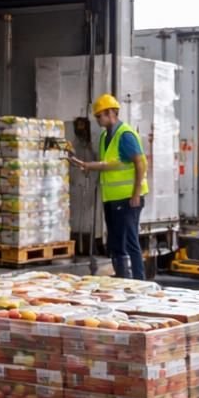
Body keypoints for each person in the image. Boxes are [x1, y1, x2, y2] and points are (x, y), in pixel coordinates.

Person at [71, 93, 149, 280]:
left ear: (110, 113)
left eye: (99, 116)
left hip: (128, 198)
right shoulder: (105, 136)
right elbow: (111, 164)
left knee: (130, 241)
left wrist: (136, 194)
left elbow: (140, 163)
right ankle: (122, 279)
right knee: (115, 243)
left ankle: (140, 282)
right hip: (111, 198)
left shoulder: (125, 135)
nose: (97, 120)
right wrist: (88, 166)